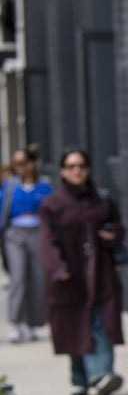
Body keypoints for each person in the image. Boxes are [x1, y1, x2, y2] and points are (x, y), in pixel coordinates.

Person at [39, 149, 125, 395]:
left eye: (81, 165)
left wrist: (113, 234)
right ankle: (80, 377)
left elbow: (119, 229)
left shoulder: (103, 200)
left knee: (100, 322)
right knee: (74, 326)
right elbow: (46, 239)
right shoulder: (52, 205)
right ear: (62, 171)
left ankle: (102, 374)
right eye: (71, 165)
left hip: (100, 273)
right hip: (69, 275)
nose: (77, 170)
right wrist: (57, 267)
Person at [1, 144, 50, 343]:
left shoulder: (44, 186)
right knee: (18, 277)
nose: (19, 167)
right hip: (15, 234)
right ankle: (15, 323)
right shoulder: (11, 186)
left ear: (31, 164)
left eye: (22, 163)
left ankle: (32, 324)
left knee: (37, 278)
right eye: (15, 164)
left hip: (37, 232)